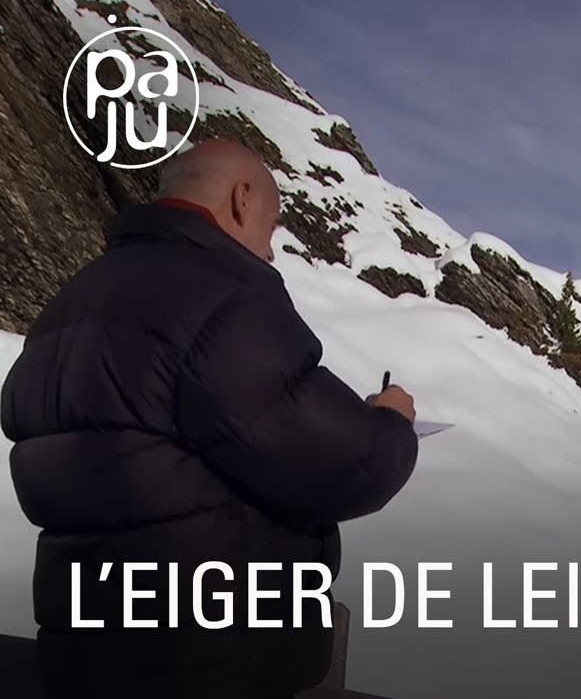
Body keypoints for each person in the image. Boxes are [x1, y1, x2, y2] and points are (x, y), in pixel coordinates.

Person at [0, 139, 419, 698]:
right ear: (243, 200)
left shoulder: (74, 299)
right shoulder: (222, 297)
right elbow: (343, 463)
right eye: (270, 230)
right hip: (202, 661)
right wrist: (391, 422)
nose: (270, 254)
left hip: (85, 649)